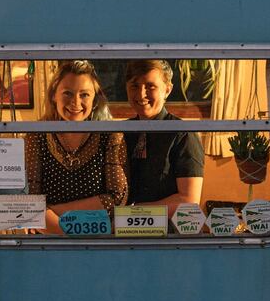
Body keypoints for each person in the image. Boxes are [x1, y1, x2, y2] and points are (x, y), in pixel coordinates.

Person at [24, 60, 128, 234]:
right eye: (67, 93)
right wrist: (66, 234)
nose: (76, 102)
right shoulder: (36, 135)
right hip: (48, 243)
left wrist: (51, 213)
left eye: (84, 94)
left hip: (99, 242)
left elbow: (117, 198)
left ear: (95, 99)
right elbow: (30, 201)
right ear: (53, 96)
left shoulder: (111, 135)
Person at [123, 60, 204, 215]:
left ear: (167, 90)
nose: (141, 94)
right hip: (121, 229)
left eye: (150, 86)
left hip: (167, 233)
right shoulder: (121, 132)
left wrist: (133, 213)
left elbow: (188, 200)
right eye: (134, 86)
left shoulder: (184, 134)